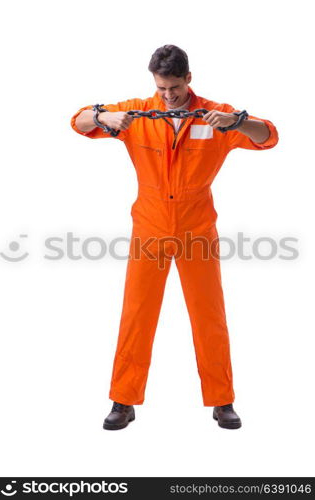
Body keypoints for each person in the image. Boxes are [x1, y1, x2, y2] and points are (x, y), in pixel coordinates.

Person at [71, 44, 279, 431]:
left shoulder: (215, 116)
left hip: (197, 231)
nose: (167, 96)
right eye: (161, 88)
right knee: (137, 315)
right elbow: (79, 122)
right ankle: (123, 400)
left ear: (189, 78)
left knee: (209, 317)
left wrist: (235, 122)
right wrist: (104, 115)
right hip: (149, 229)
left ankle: (222, 401)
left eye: (175, 88)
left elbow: (269, 136)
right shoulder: (137, 112)